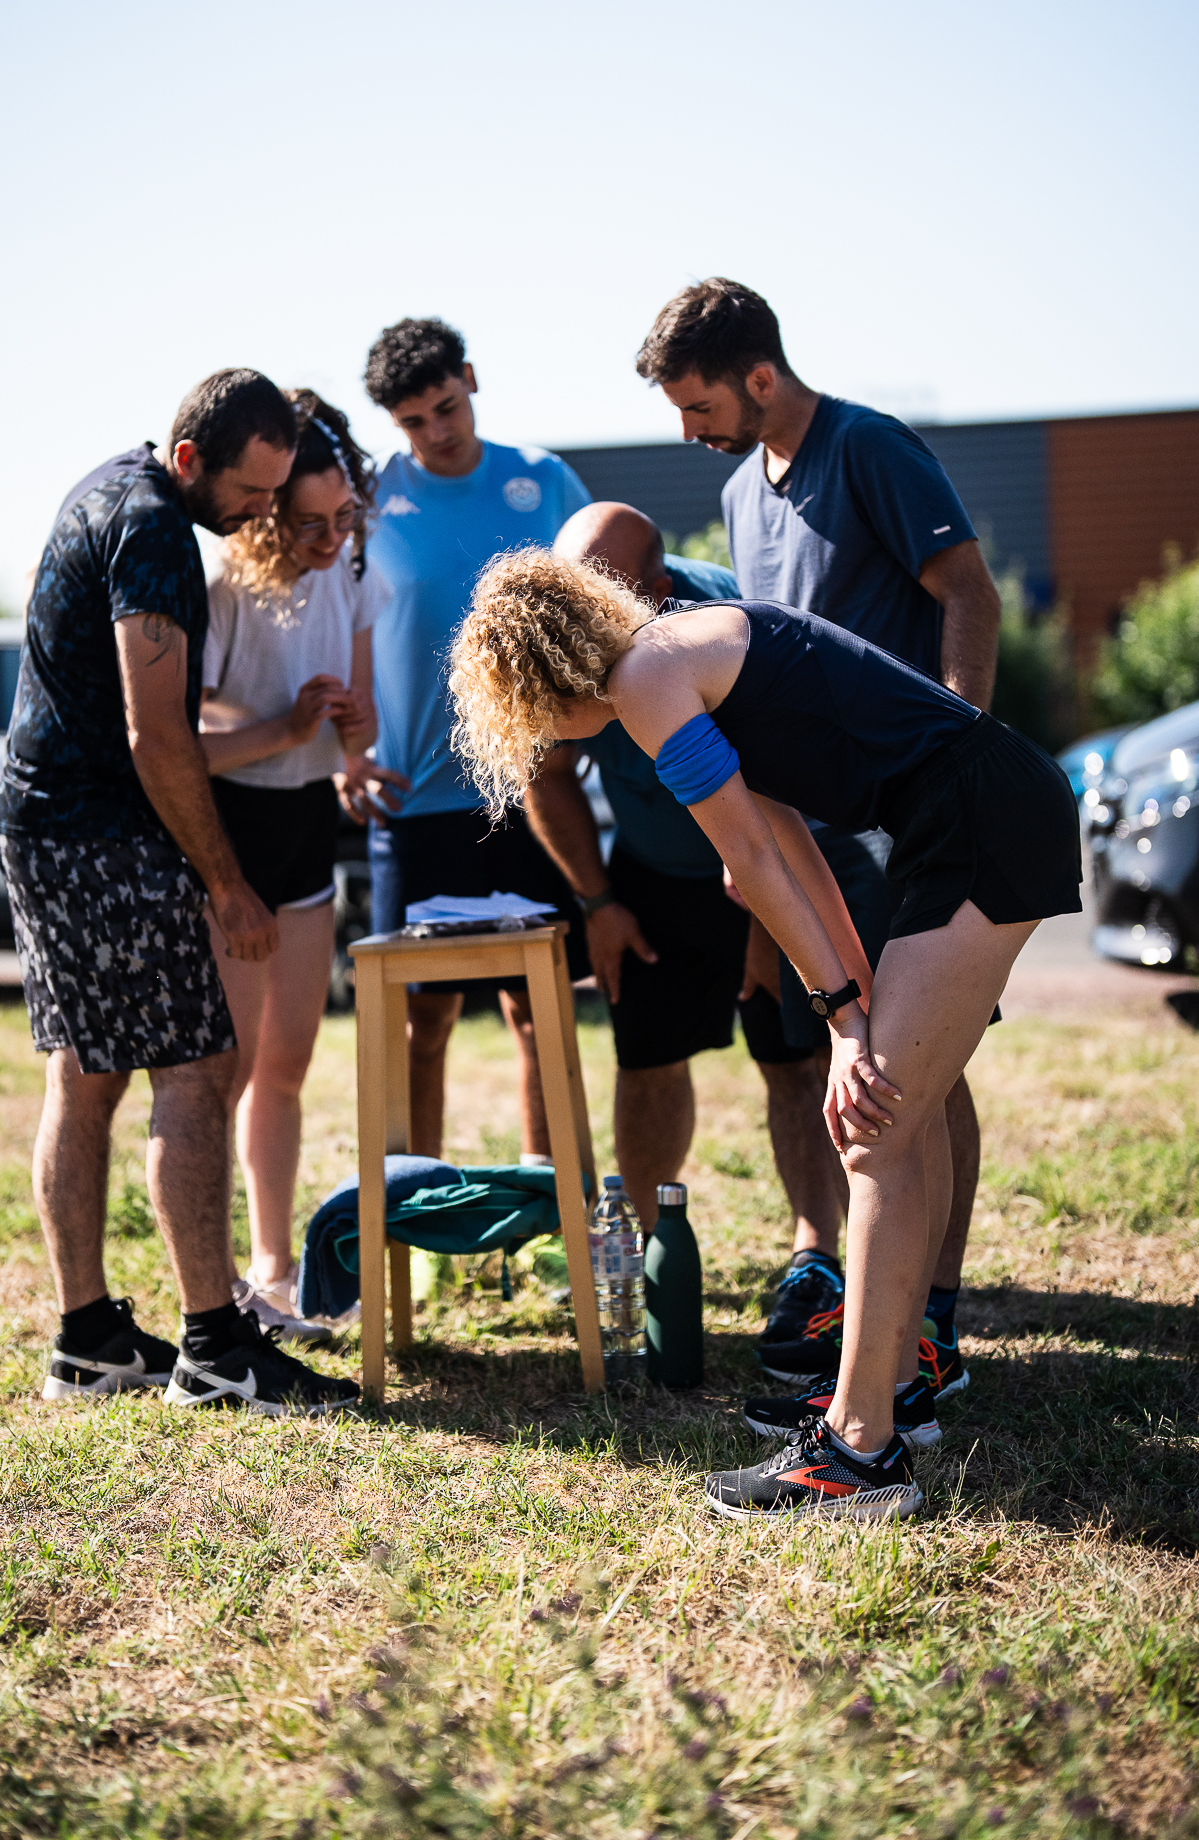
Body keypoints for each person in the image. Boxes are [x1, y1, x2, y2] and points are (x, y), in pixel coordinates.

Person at [448, 551, 1080, 1517]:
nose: (536, 741)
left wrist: (840, 1022)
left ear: (537, 676)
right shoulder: (685, 648)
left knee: (873, 1129)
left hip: (977, 816)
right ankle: (895, 1388)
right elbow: (782, 848)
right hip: (970, 811)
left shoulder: (645, 680)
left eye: (523, 715)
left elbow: (745, 855)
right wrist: (854, 1003)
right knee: (897, 1122)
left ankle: (857, 1454)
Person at [635, 280, 1003, 1400]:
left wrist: (961, 755)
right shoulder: (741, 491)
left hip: (908, 813)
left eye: (699, 406)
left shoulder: (869, 447)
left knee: (920, 1068)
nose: (688, 432)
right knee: (849, 1067)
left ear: (759, 376)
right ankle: (874, 1304)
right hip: (812, 831)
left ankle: (932, 1321)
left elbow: (969, 594)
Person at [0, 368, 358, 1418]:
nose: (259, 512)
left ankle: (88, 1339)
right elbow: (159, 734)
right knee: (197, 1069)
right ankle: (216, 1347)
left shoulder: (110, 487)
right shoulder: (153, 524)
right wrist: (227, 883)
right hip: (97, 836)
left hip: (43, 823)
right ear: (191, 457)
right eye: (249, 491)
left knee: (83, 1076)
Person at [361, 316, 593, 1159]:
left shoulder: (544, 480)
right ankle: (417, 1203)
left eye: (445, 407)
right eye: (413, 421)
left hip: (534, 792)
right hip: (414, 799)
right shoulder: (367, 500)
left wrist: (575, 739)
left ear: (469, 378)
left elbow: (596, 616)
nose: (436, 432)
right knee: (421, 1020)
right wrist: (348, 752)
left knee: (539, 1010)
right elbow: (331, 626)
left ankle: (550, 1200)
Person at [199, 391, 392, 1337]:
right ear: (268, 512)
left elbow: (361, 719)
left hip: (308, 829)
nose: (332, 538)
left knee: (286, 1064)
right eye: (310, 523)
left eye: (344, 517)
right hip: (229, 836)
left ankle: (273, 1271)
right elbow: (185, 741)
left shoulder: (348, 569)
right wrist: (284, 727)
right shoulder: (222, 581)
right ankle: (214, 1282)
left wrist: (355, 743)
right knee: (223, 1071)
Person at [523, 503, 743, 1232]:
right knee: (647, 1063)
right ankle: (648, 1241)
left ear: (656, 590)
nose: (583, 617)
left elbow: (782, 788)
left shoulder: (726, 618)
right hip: (648, 867)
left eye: (602, 600)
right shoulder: (559, 629)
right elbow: (546, 775)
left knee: (795, 1062)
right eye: (573, 594)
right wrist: (598, 902)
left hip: (758, 861)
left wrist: (775, 921)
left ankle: (817, 1255)